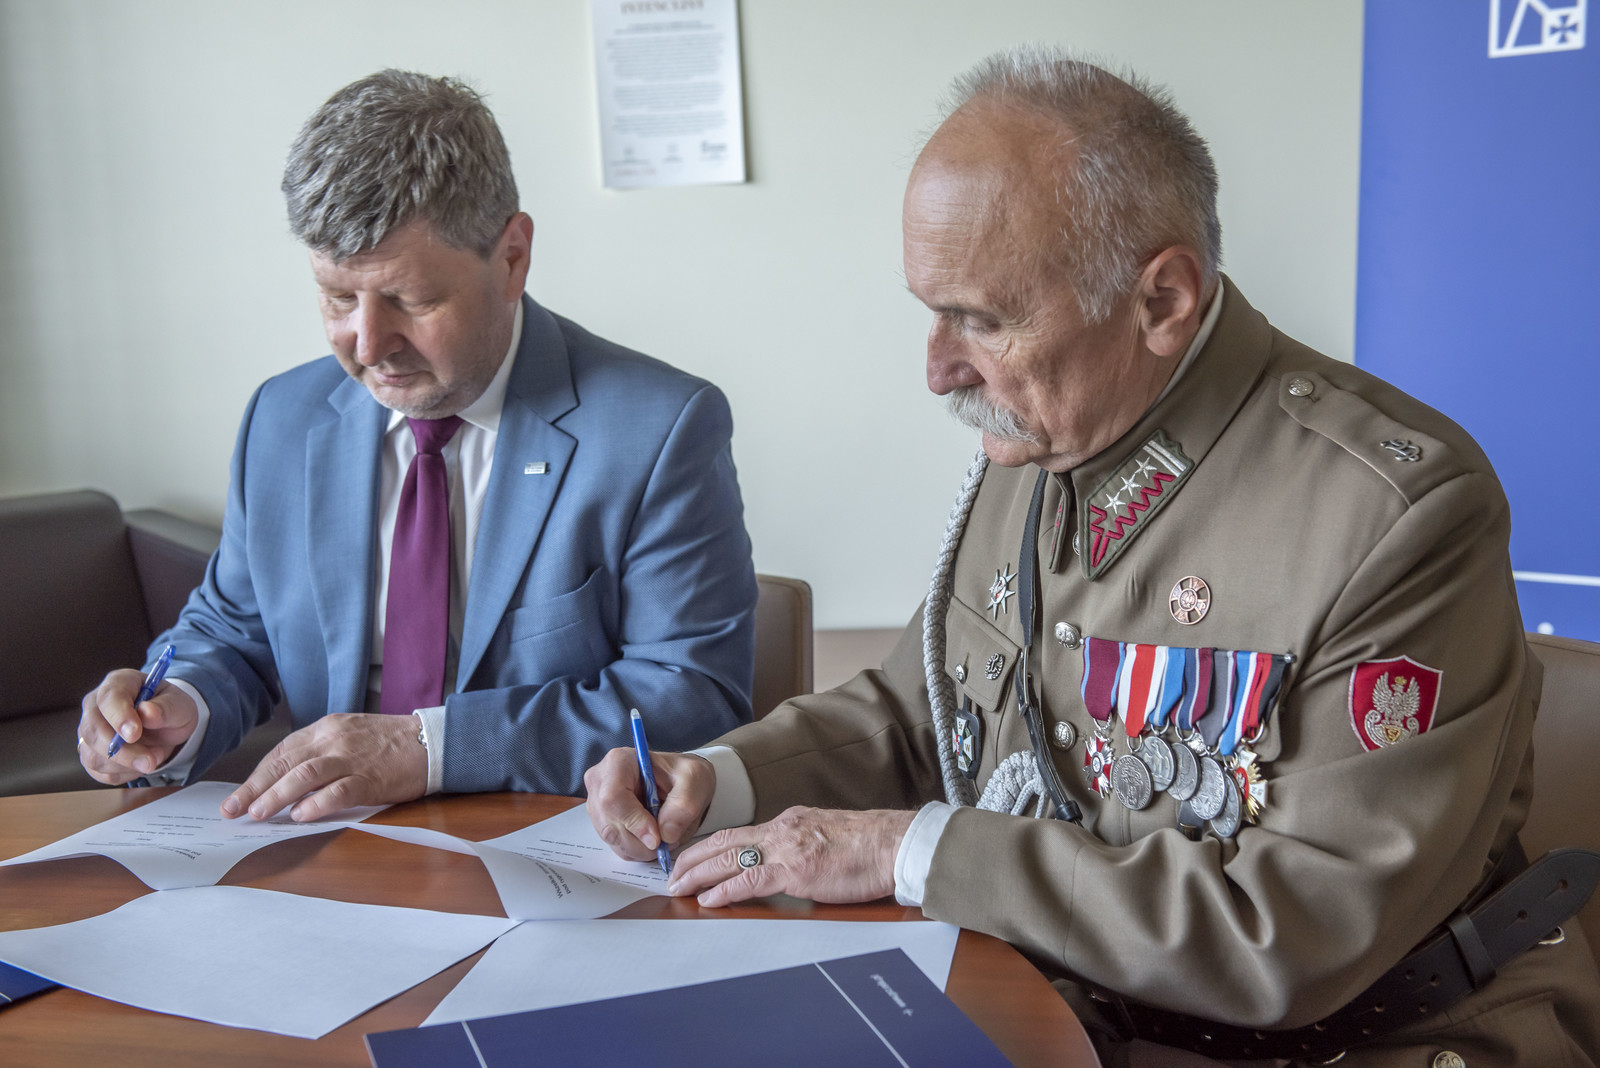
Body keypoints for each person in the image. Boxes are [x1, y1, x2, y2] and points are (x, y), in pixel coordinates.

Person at [584, 48, 1600, 1065]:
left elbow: (1293, 929)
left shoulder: (1391, 513)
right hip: (1082, 1014)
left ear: (1162, 301)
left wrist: (912, 851)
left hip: (1366, 1041)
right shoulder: (1047, 431)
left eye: (982, 320)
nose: (937, 369)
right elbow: (921, 710)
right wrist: (721, 780)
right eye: (931, 310)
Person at [76, 70, 757, 823]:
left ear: (512, 257)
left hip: (546, 836)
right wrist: (177, 704)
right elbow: (234, 632)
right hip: (330, 839)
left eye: (410, 300)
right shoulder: (281, 417)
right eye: (338, 298)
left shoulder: (660, 428)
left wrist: (430, 749)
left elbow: (694, 695)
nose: (368, 345)